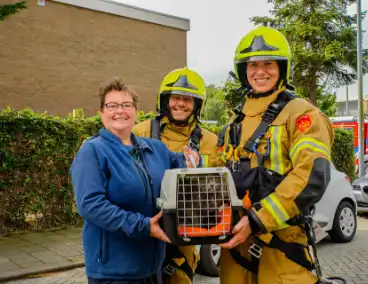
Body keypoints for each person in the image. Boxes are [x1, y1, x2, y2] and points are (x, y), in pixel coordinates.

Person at [217, 26, 334, 283]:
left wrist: (259, 219)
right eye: (253, 65)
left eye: (269, 63)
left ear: (282, 68)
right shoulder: (233, 123)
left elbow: (311, 174)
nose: (260, 71)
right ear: (243, 71)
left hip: (283, 246)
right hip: (236, 246)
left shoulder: (302, 114)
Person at [70, 79, 200, 284]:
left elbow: (182, 165)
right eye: (112, 105)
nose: (120, 111)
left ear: (136, 111)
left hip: (152, 267)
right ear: (101, 113)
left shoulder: (154, 149)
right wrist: (143, 226)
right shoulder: (92, 151)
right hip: (114, 272)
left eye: (126, 105)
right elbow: (90, 205)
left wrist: (193, 160)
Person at [132, 67, 222, 284]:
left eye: (188, 99)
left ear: (197, 105)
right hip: (145, 231)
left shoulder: (210, 141)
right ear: (165, 100)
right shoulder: (139, 133)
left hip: (185, 238)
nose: (181, 104)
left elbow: (220, 187)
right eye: (176, 98)